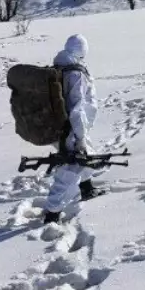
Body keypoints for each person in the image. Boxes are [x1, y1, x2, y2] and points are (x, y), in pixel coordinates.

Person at [43, 34, 101, 224]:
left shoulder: (59, 67)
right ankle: (52, 213)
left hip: (60, 126)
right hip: (72, 128)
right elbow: (77, 108)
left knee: (85, 155)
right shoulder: (75, 73)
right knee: (71, 166)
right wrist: (80, 136)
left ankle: (87, 187)